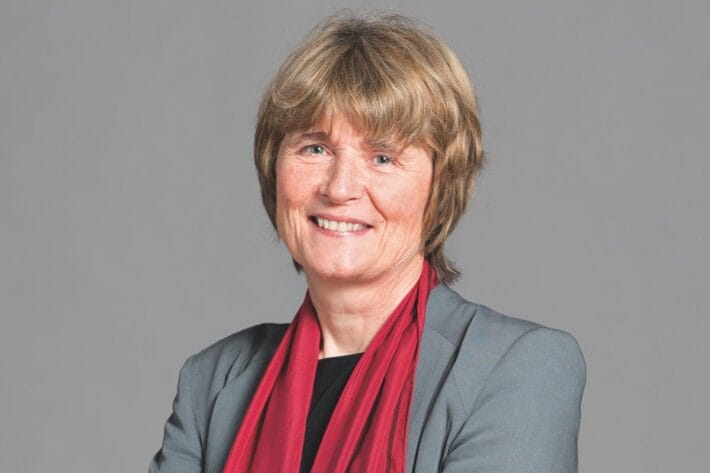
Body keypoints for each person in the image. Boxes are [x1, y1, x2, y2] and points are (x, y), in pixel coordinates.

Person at [149, 12, 586, 473]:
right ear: (273, 169)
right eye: (315, 148)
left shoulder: (517, 368)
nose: (339, 188)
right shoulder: (212, 382)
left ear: (440, 188)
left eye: (382, 157)